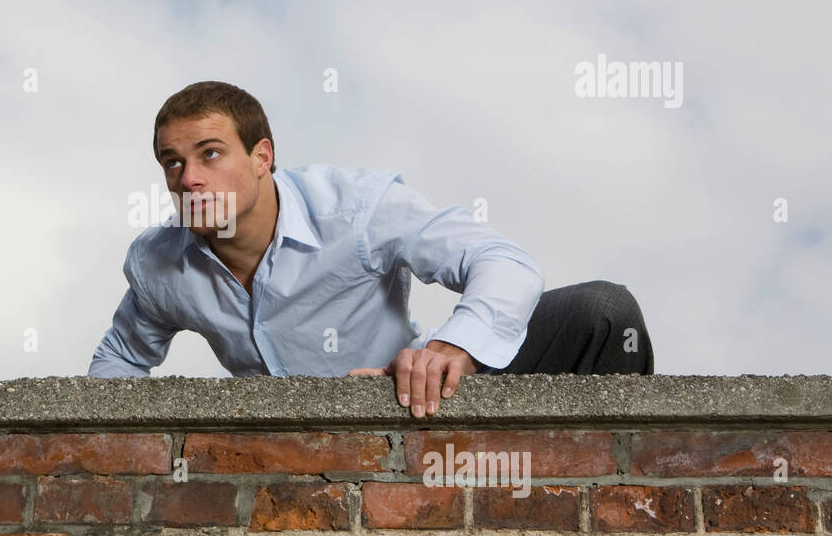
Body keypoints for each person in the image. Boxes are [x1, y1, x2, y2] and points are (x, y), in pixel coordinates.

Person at [87, 81, 653, 417]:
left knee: (604, 312)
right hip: (296, 457)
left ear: (262, 157)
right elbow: (121, 359)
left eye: (210, 154)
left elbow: (500, 260)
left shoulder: (354, 208)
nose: (189, 178)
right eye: (173, 163)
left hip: (420, 404)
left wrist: (454, 347)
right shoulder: (159, 264)